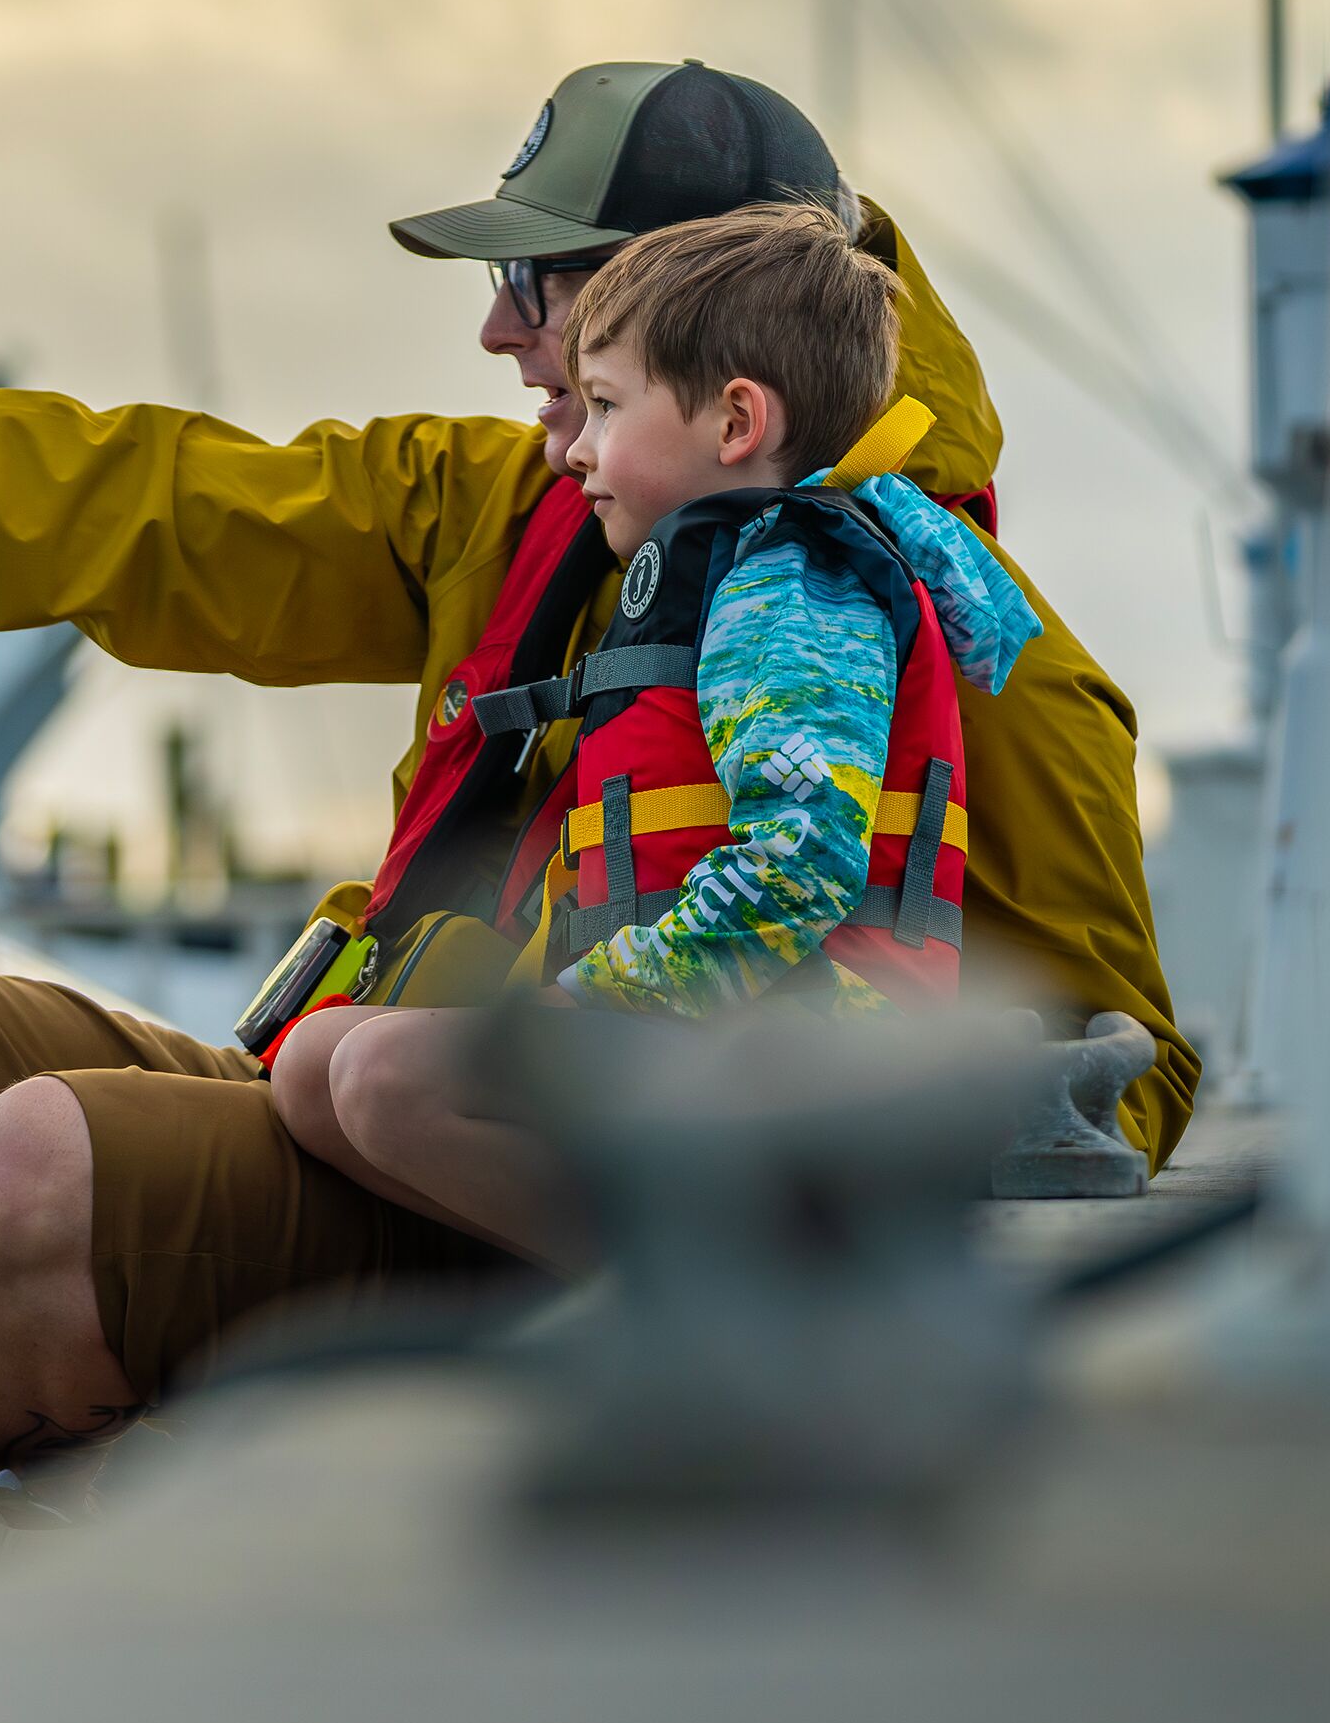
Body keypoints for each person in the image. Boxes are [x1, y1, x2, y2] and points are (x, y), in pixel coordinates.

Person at [0, 61, 1192, 1638]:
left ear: (701, 320)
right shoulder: (498, 504)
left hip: (551, 1199)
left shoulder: (953, 627)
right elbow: (134, 501)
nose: (500, 334)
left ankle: (91, 1551)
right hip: (331, 1099)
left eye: (537, 283)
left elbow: (1119, 1064)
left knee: (38, 1170)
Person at [266, 199, 1047, 1273]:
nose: (575, 450)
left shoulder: (796, 597)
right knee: (313, 1065)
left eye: (604, 406)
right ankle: (635, 1282)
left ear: (734, 423)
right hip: (722, 1033)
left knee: (379, 1077)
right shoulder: (733, 572)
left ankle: (718, 1304)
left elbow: (802, 865)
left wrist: (586, 997)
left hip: (818, 1054)